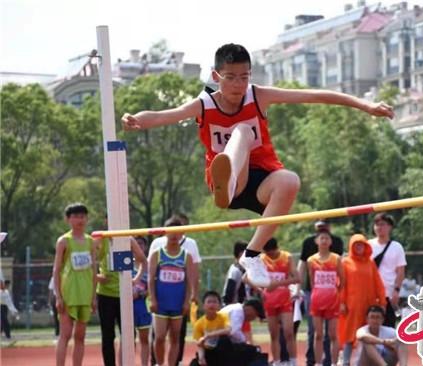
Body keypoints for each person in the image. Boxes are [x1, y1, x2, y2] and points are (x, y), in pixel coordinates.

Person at [121, 43, 394, 288]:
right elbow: (164, 116)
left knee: (290, 180)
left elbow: (316, 95)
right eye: (230, 78)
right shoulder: (204, 105)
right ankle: (225, 176)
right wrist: (136, 119)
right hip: (230, 181)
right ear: (216, 77)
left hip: (263, 181)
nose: (238, 85)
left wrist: (365, 105)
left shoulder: (258, 95)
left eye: (244, 77)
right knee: (242, 131)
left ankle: (251, 254)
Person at [148, 213, 201, 365]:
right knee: (159, 337)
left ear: (182, 233)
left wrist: (187, 301)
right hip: (161, 302)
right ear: (165, 232)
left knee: (175, 337)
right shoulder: (157, 254)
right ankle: (159, 363)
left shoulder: (187, 256)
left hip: (177, 302)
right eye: (170, 231)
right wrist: (153, 299)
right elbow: (151, 279)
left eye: (177, 232)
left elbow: (190, 281)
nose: (173, 235)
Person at [95, 218, 147, 366]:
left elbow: (143, 261)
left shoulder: (128, 238)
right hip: (105, 295)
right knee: (108, 335)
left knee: (129, 334)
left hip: (124, 295)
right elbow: (88, 260)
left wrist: (135, 280)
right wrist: (97, 277)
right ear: (106, 221)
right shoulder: (100, 239)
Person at [53, 203, 97, 366]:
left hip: (85, 294)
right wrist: (58, 296)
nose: (80, 220)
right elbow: (56, 270)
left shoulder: (91, 242)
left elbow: (93, 270)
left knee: (80, 336)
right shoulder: (64, 241)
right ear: (68, 219)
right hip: (69, 292)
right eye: (76, 216)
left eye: (83, 216)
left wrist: (93, 297)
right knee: (65, 334)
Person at [297, 220, 344, 366]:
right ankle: (316, 362)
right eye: (321, 237)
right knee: (316, 333)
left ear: (330, 241)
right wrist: (299, 288)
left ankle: (333, 362)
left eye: (326, 238)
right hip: (316, 299)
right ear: (316, 240)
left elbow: (342, 280)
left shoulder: (337, 256)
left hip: (333, 300)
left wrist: (339, 297)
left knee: (332, 334)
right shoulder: (311, 258)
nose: (324, 240)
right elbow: (311, 280)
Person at [338, 234, 386, 366]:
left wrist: (382, 302)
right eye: (356, 245)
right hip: (351, 306)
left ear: (366, 246)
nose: (359, 247)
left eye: (361, 244)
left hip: (368, 305)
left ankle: (368, 361)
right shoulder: (345, 262)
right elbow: (341, 284)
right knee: (349, 335)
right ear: (351, 246)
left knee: (368, 333)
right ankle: (346, 362)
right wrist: (341, 302)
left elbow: (378, 284)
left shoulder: (370, 263)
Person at [260, 238, 299, 366]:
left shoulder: (287, 257)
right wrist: (261, 290)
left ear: (277, 248)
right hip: (269, 301)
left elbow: (297, 278)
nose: (270, 256)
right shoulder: (262, 259)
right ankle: (277, 362)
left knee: (288, 332)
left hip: (284, 299)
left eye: (272, 253)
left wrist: (277, 284)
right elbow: (248, 278)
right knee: (273, 334)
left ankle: (293, 361)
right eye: (268, 254)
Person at [369, 213, 407, 327]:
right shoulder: (368, 245)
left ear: (390, 227)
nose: (379, 227)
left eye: (382, 224)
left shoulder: (397, 247)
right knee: (370, 326)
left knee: (388, 327)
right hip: (370, 293)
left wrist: (396, 290)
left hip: (388, 293)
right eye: (376, 225)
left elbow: (400, 271)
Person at [193, 291, 233, 366]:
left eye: (215, 302)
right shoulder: (199, 324)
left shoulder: (224, 317)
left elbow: (228, 330)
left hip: (221, 352)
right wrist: (201, 358)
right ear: (203, 306)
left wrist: (209, 335)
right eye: (209, 302)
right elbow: (200, 344)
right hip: (208, 351)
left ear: (219, 306)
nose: (212, 304)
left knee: (225, 340)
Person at [132, 236, 151, 366]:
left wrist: (143, 293)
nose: (138, 246)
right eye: (136, 244)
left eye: (141, 244)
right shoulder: (126, 263)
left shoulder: (149, 266)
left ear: (145, 247)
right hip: (128, 305)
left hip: (143, 306)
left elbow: (153, 287)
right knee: (127, 338)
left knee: (144, 338)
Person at [222, 241, 248, 306]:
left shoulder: (243, 270)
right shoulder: (235, 271)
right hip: (234, 307)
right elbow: (229, 293)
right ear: (241, 254)